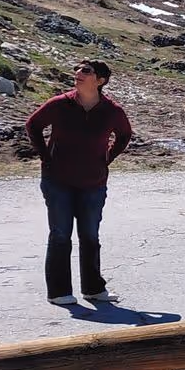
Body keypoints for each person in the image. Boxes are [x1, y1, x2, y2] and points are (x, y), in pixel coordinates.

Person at [25, 59, 133, 305]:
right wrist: (45, 157)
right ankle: (59, 292)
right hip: (58, 181)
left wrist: (108, 157)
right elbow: (33, 124)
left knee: (90, 236)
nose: (78, 74)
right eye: (77, 69)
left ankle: (94, 289)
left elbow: (125, 134)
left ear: (101, 80)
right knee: (61, 234)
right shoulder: (60, 104)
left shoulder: (112, 111)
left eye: (86, 71)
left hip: (93, 183)